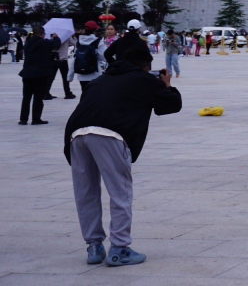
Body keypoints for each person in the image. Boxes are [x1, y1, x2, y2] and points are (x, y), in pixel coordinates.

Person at [64, 40, 181, 267]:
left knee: (85, 192)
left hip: (76, 134)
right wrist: (167, 85)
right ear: (146, 65)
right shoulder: (144, 79)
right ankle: (119, 248)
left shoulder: (100, 80)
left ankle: (94, 247)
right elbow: (171, 105)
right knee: (120, 191)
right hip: (109, 134)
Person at [19, 24, 57, 125]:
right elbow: (56, 45)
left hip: (27, 73)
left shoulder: (27, 43)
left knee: (26, 97)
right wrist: (56, 37)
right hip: (40, 74)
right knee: (38, 97)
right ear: (42, 34)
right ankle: (36, 118)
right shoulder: (44, 42)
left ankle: (23, 119)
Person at [73, 21, 105, 95]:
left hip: (81, 74)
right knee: (94, 95)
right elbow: (102, 57)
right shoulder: (98, 41)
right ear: (94, 30)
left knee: (84, 93)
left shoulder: (79, 41)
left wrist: (70, 76)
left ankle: (82, 106)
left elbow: (74, 57)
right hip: (94, 73)